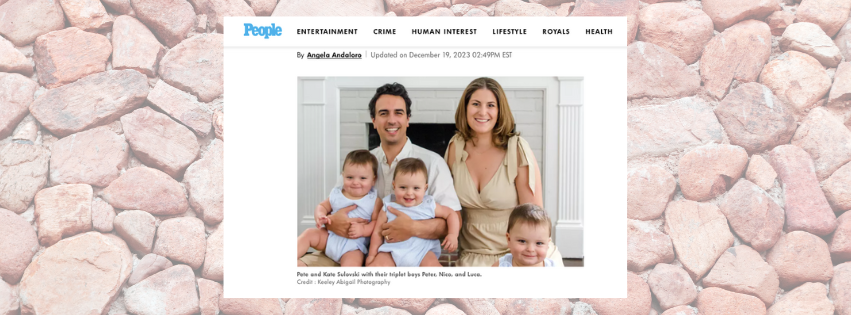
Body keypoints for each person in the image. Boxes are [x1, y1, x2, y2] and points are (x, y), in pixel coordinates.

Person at [299, 83, 462, 267]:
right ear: (374, 120)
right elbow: (331, 207)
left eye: (398, 113)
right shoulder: (361, 163)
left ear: (408, 119)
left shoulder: (433, 163)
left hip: (408, 255)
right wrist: (331, 223)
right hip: (347, 249)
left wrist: (413, 228)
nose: (391, 120)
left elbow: (453, 219)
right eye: (383, 113)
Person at [444, 77, 564, 267]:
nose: (483, 112)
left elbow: (535, 219)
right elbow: (447, 205)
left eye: (491, 105)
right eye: (476, 104)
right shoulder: (454, 147)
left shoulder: (517, 149)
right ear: (465, 108)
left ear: (500, 111)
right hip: (473, 255)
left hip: (518, 254)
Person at [367, 158, 459, 267]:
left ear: (425, 188)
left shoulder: (428, 205)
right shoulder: (388, 207)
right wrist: (372, 255)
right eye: (403, 187)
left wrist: (453, 234)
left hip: (423, 253)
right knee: (377, 267)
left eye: (416, 188)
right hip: (391, 252)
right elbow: (377, 233)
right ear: (394, 185)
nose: (409, 193)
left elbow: (451, 214)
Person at [296, 150, 382, 267]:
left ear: (373, 180)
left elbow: (377, 224)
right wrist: (321, 215)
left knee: (351, 265)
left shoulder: (374, 200)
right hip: (329, 238)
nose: (355, 182)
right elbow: (322, 206)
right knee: (309, 233)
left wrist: (363, 230)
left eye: (362, 178)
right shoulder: (337, 194)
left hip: (353, 247)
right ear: (343, 176)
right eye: (350, 177)